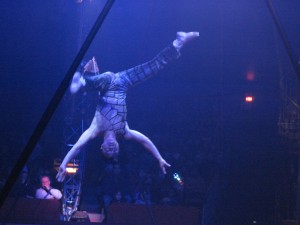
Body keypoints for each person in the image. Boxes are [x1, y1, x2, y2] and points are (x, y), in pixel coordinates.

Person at [56, 31, 199, 182]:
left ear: (102, 147)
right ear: (118, 147)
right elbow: (145, 141)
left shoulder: (95, 130)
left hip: (107, 83)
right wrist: (159, 158)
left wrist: (64, 164)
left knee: (85, 85)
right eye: (114, 151)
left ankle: (81, 79)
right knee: (153, 67)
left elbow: (77, 146)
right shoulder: (125, 132)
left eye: (108, 150)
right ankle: (178, 43)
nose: (112, 149)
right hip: (123, 82)